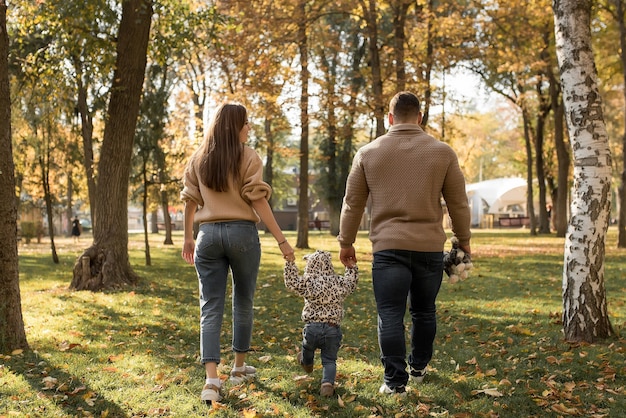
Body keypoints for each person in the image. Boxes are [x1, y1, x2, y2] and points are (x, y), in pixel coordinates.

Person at [337, 91, 471, 395]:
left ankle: (395, 382)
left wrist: (346, 242)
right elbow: (458, 204)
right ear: (420, 118)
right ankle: (419, 368)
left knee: (390, 315)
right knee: (425, 311)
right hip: (429, 249)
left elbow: (352, 203)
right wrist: (463, 241)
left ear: (390, 117)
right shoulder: (443, 152)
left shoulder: (368, 153)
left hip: (387, 248)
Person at [180, 103, 295, 403]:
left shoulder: (198, 158)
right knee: (243, 300)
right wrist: (282, 240)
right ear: (234, 126)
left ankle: (211, 382)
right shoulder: (248, 156)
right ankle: (239, 368)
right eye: (246, 123)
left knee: (210, 306)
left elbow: (190, 199)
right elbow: (258, 200)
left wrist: (188, 238)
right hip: (242, 234)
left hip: (206, 237)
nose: (249, 127)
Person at [284, 250, 358, 397]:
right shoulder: (338, 282)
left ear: (310, 265)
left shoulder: (308, 282)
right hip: (332, 328)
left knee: (307, 347)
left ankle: (307, 363)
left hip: (312, 327)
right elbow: (351, 283)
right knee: (329, 360)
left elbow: (291, 282)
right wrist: (351, 267)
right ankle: (327, 384)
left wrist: (290, 264)